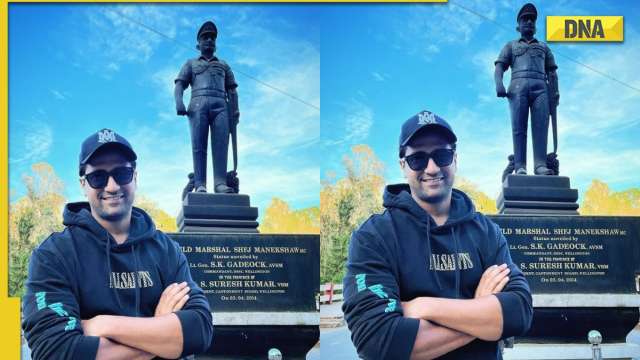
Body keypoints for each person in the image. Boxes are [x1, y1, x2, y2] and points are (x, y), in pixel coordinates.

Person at [342, 111, 533, 359]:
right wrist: (480, 313)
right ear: (403, 166)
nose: (431, 168)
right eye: (417, 159)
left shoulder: (486, 232)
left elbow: (519, 311)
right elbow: (378, 340)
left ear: (455, 159)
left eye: (441, 155)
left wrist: (423, 306)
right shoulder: (373, 237)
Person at [22, 129, 213, 360]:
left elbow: (199, 329)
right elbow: (54, 350)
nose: (112, 186)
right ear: (83, 184)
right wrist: (158, 333)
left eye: (122, 173)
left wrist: (103, 325)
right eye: (98, 177)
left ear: (135, 177)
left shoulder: (167, 250)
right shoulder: (53, 255)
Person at [174, 20, 239, 194]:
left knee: (221, 145)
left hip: (221, 105)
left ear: (215, 44)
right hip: (198, 105)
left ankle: (220, 183)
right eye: (205, 37)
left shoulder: (224, 65)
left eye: (212, 38)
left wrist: (235, 110)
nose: (209, 40)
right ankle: (200, 183)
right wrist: (178, 101)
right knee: (199, 145)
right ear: (198, 44)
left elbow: (232, 90)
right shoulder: (190, 63)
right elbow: (180, 84)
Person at [494, 3, 559, 175]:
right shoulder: (511, 45)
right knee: (519, 128)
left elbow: (552, 72)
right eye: (525, 19)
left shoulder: (544, 47)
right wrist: (498, 83)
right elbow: (500, 66)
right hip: (518, 87)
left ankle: (540, 165)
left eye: (532, 19)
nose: (529, 22)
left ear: (535, 26)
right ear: (518, 25)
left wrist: (555, 92)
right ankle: (520, 165)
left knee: (540, 127)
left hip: (541, 87)